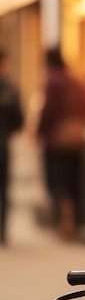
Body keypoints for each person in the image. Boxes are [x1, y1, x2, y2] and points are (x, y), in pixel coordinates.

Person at [37, 48, 85, 239]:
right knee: (74, 181)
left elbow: (48, 109)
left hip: (58, 140)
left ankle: (66, 224)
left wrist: (40, 132)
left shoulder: (53, 81)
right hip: (76, 140)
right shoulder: (75, 80)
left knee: (59, 182)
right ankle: (73, 222)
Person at [0, 48, 23, 244]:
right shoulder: (10, 89)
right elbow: (19, 120)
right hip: (3, 143)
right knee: (3, 189)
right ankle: (2, 232)